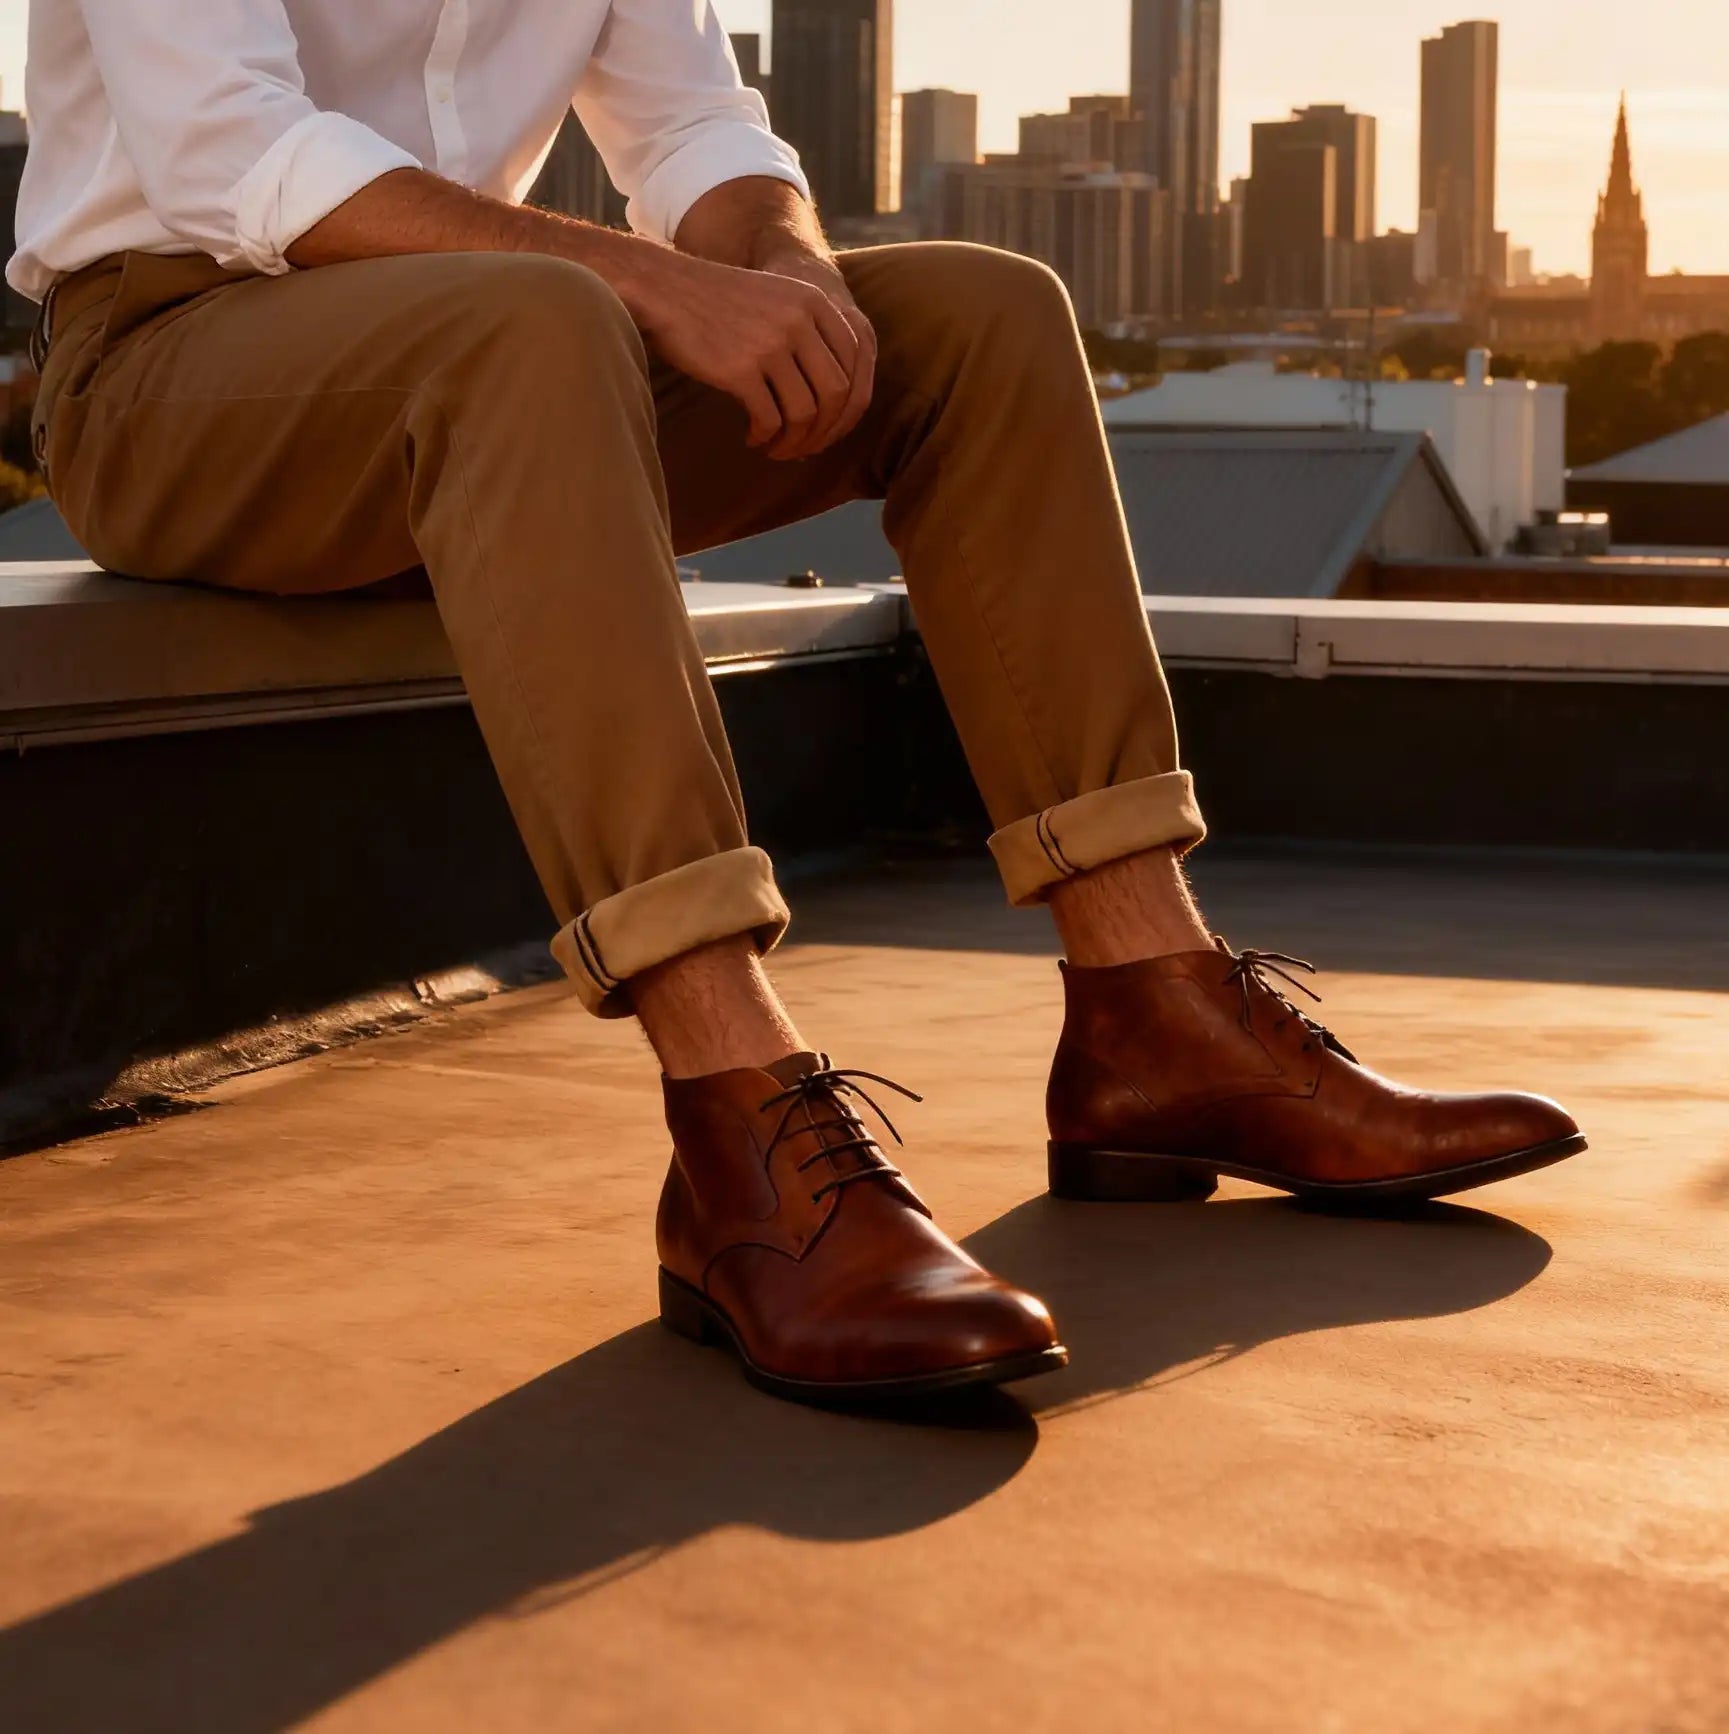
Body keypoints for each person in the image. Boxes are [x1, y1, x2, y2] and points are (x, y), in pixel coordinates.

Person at [14, 1, 1584, 1405]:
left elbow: (695, 123)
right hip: (172, 365)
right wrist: (646, 279)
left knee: (977, 318)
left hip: (499, 349)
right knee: (533, 318)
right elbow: (234, 148)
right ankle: (735, 1120)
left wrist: (788, 273)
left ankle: (1153, 1012)